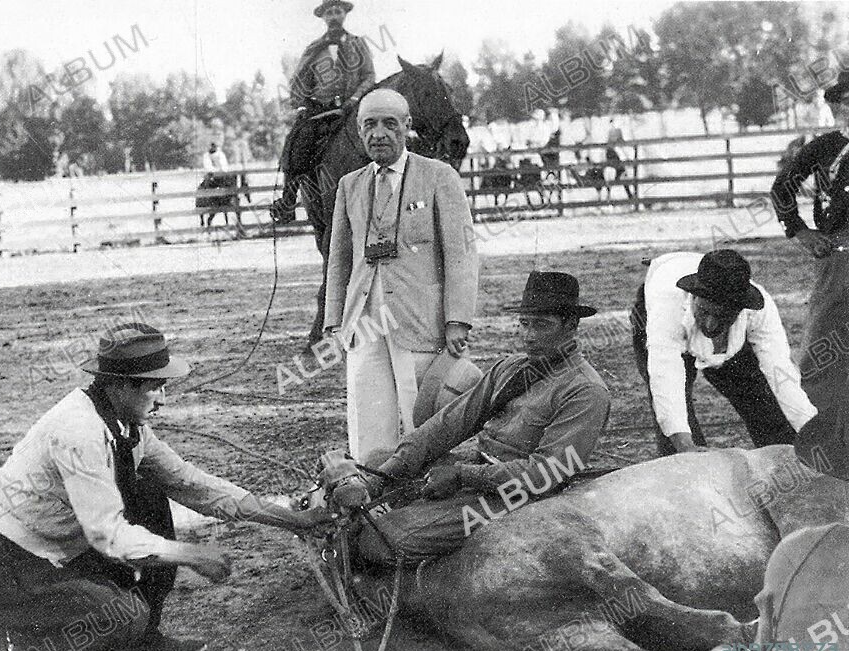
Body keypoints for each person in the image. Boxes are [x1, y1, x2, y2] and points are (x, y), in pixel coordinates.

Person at [0, 322, 332, 651]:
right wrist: (189, 553)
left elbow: (190, 483)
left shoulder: (125, 424)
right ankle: (19, 645)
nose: (163, 398)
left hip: (56, 554)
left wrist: (292, 519)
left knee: (151, 491)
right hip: (0, 571)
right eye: (155, 386)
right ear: (120, 385)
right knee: (123, 619)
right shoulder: (78, 430)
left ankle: (144, 638)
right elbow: (108, 535)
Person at [333, 271, 610, 566]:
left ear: (571, 325)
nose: (529, 336)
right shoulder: (510, 368)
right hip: (480, 475)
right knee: (379, 462)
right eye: (524, 324)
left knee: (383, 540)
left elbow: (544, 474)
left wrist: (463, 476)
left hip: (518, 497)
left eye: (541, 325)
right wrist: (379, 479)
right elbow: (448, 424)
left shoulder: (585, 391)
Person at [324, 88, 478, 465]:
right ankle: (373, 489)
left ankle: (428, 493)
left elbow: (461, 255)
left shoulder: (439, 176)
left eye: (389, 124)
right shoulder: (350, 185)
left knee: (422, 409)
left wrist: (457, 319)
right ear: (359, 132)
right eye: (369, 125)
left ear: (407, 128)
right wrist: (333, 322)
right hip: (363, 317)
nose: (378, 134)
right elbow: (339, 260)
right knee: (366, 410)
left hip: (418, 316)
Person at [631, 250, 816, 456]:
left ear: (741, 310)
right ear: (693, 297)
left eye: (722, 316)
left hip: (730, 335)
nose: (710, 325)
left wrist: (813, 433)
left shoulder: (759, 310)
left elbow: (781, 374)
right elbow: (665, 377)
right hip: (659, 318)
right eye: (704, 311)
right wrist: (684, 445)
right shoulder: (668, 307)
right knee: (680, 443)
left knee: (763, 402)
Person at [770, 70, 849, 412]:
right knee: (825, 336)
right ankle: (813, 415)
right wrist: (800, 231)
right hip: (840, 251)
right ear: (834, 108)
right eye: (847, 103)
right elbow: (782, 186)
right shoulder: (826, 147)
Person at [270, 0, 375, 224]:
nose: (334, 16)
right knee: (296, 143)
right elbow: (300, 81)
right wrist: (301, 104)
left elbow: (368, 76)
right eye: (330, 13)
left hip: (350, 109)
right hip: (319, 112)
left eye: (338, 11)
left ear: (344, 15)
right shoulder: (315, 48)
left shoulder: (358, 44)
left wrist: (355, 98)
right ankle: (288, 202)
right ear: (324, 17)